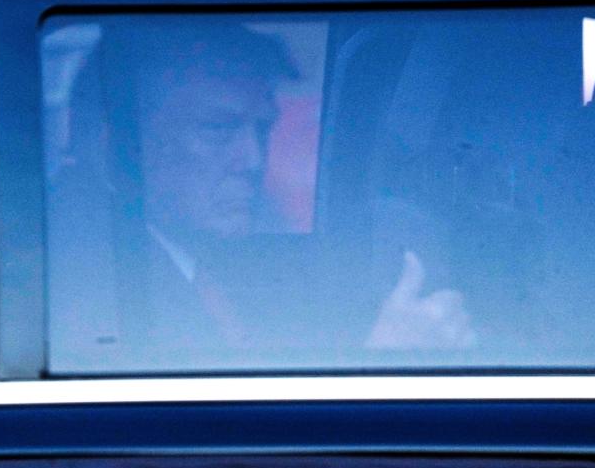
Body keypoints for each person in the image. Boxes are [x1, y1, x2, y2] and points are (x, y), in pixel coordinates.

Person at [49, 21, 474, 370]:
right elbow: (189, 455)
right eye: (217, 129)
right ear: (114, 144)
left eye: (262, 129)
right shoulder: (74, 275)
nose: (252, 160)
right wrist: (384, 362)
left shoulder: (191, 254)